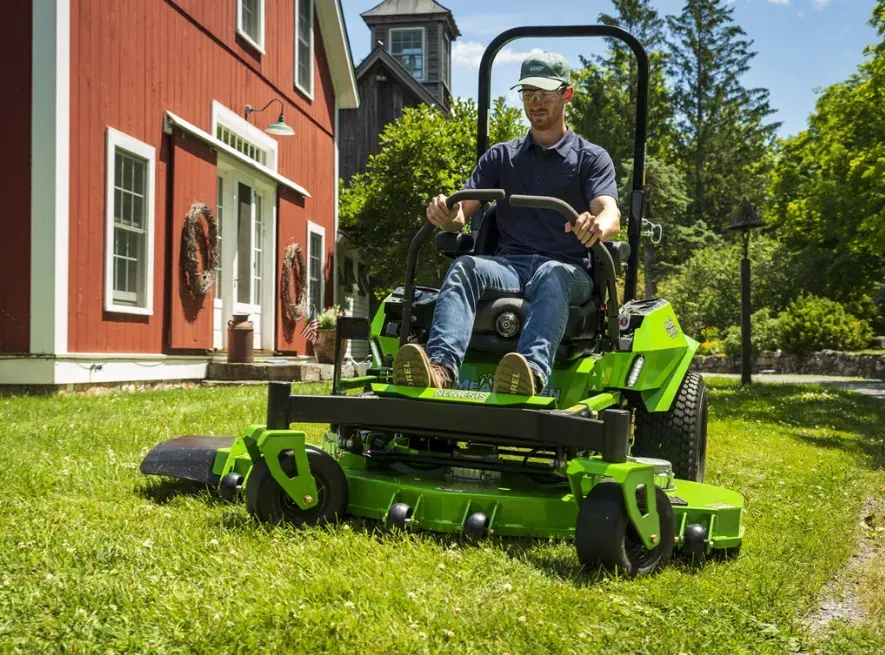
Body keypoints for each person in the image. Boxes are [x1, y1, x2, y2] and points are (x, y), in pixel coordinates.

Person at [393, 51, 621, 396]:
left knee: (551, 274)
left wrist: (597, 226)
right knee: (465, 266)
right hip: (508, 268)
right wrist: (445, 214)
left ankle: (528, 372)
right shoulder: (501, 157)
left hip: (567, 270)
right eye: (528, 94)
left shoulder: (591, 158)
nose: (535, 102)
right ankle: (440, 369)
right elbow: (461, 213)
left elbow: (610, 212)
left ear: (567, 94)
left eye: (544, 93)